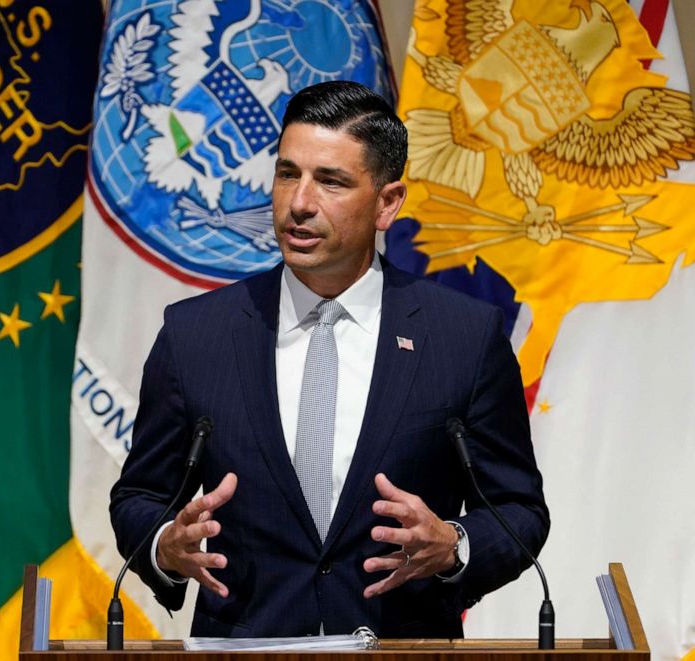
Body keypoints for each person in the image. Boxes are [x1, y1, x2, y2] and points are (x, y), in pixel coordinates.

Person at [110, 81, 548, 638]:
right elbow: (139, 497)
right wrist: (164, 544)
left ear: (387, 203)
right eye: (288, 173)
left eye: (331, 182)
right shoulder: (196, 335)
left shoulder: (463, 337)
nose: (299, 203)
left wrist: (454, 546)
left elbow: (519, 511)